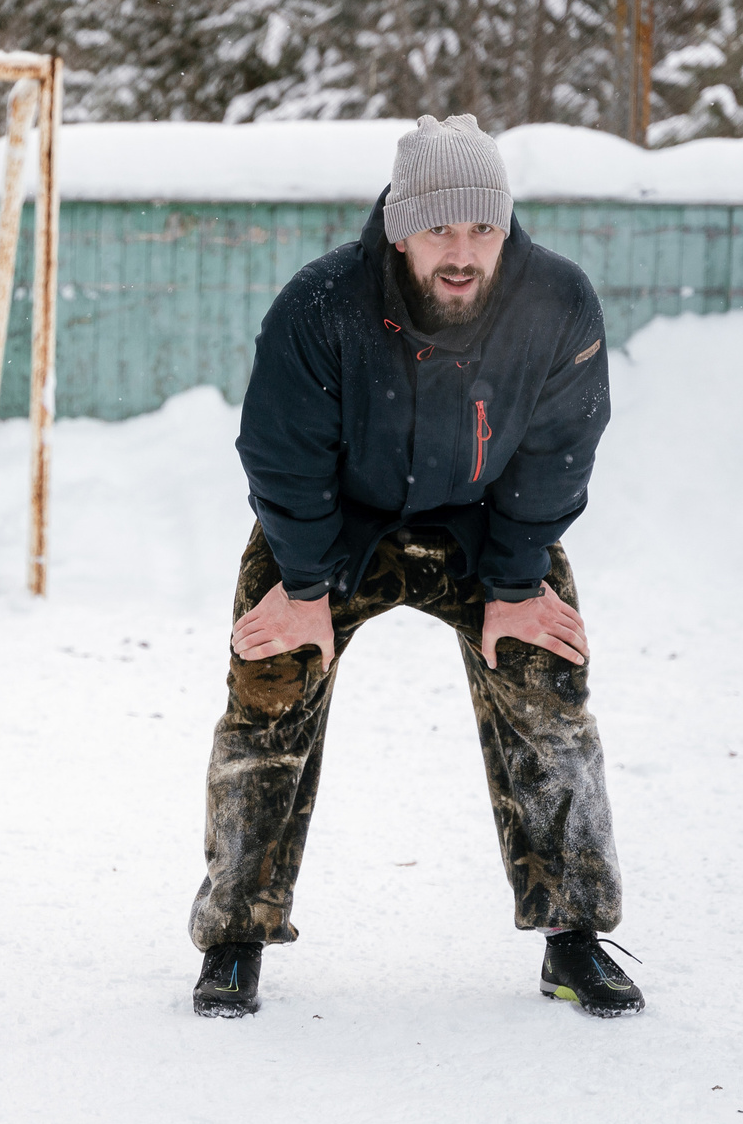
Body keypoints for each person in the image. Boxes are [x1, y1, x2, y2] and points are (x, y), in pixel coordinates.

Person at [188, 114, 642, 1018]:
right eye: (441, 229)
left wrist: (515, 584)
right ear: (402, 227)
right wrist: (307, 588)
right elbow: (280, 453)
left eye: (484, 228)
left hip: (487, 528)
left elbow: (560, 450)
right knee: (269, 682)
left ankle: (574, 937)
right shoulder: (320, 307)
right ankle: (236, 936)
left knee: (549, 680)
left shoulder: (558, 304)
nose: (464, 252)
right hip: (333, 527)